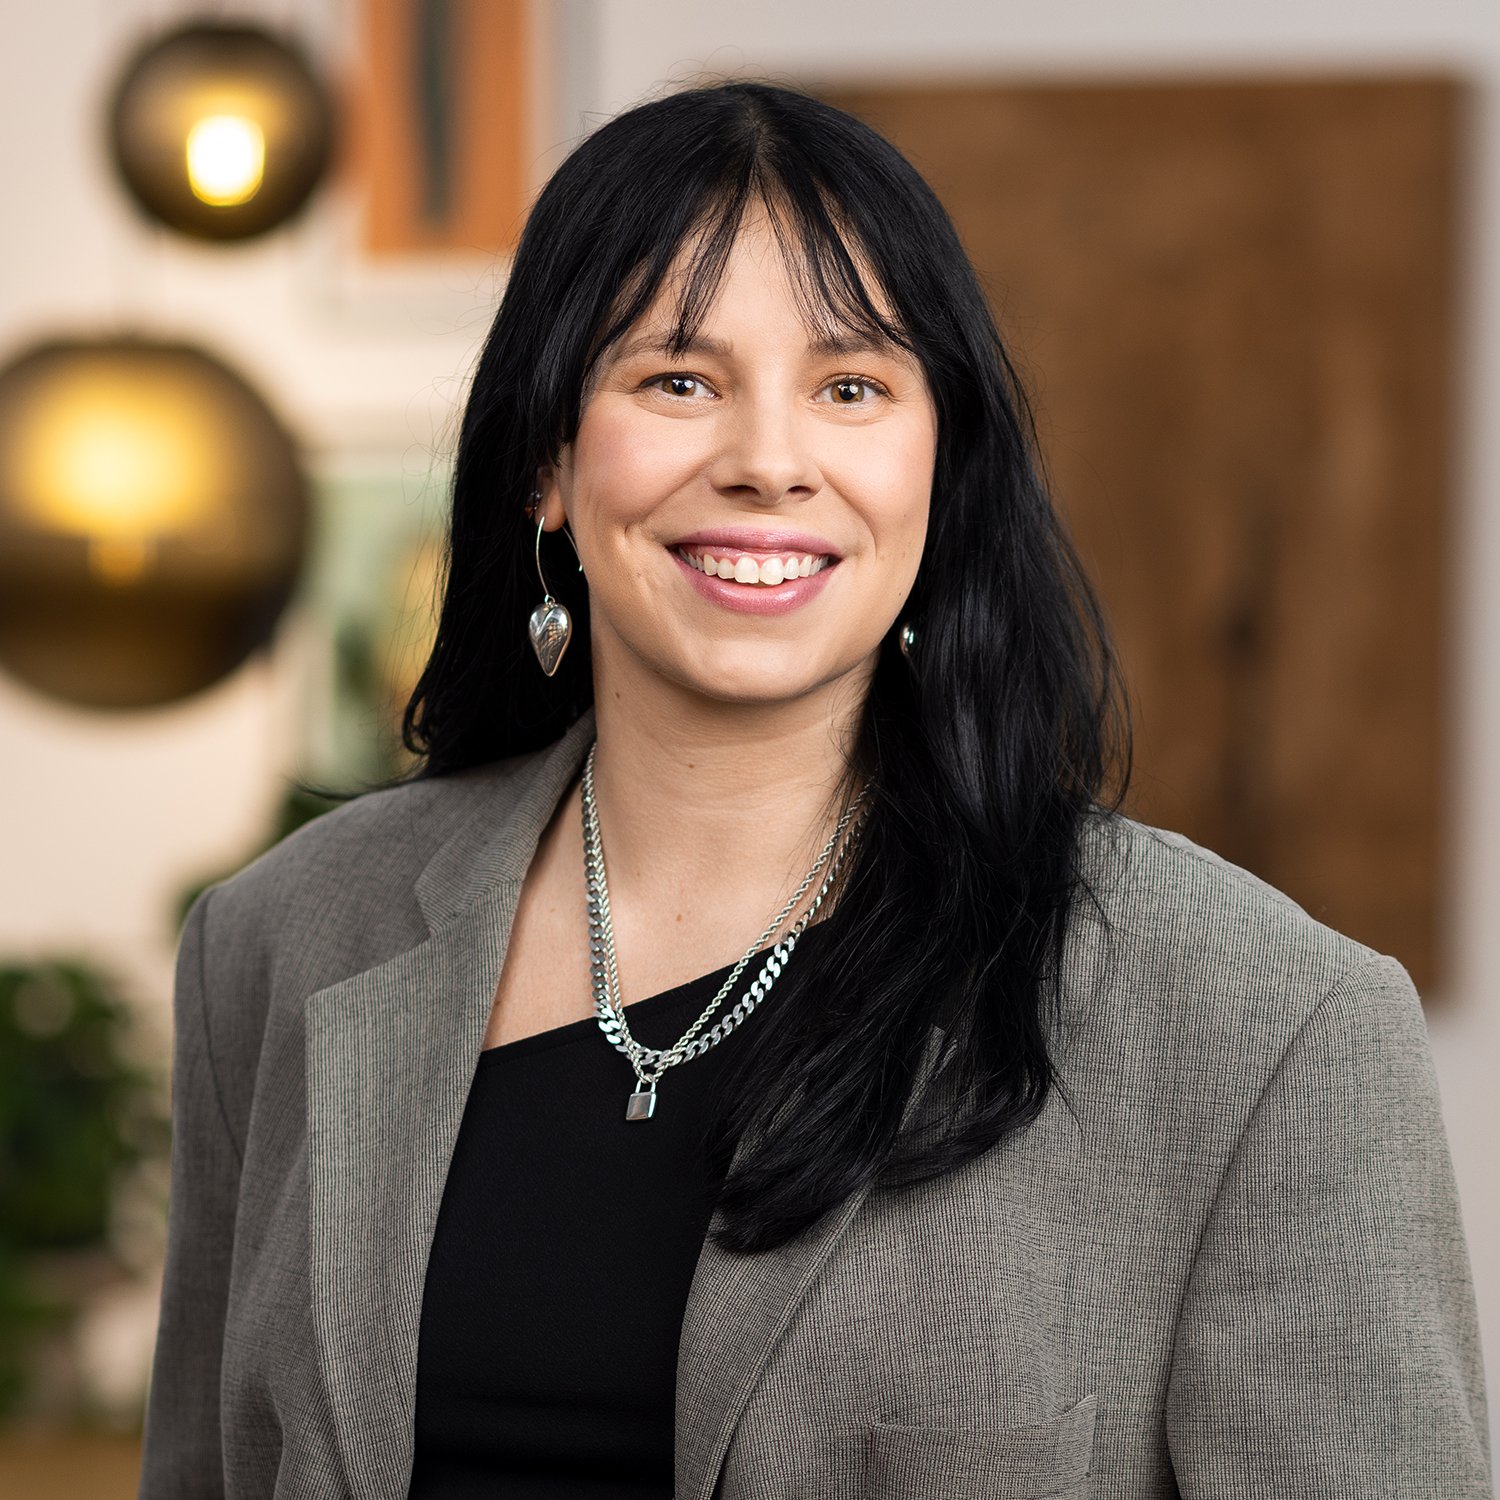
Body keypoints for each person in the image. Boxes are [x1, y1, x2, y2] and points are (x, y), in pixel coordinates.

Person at [137, 79, 1491, 1500]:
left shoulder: (1262, 1023)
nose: (769, 462)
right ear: (547, 460)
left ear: (938, 463)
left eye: (851, 388)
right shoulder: (282, 942)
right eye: (677, 380)